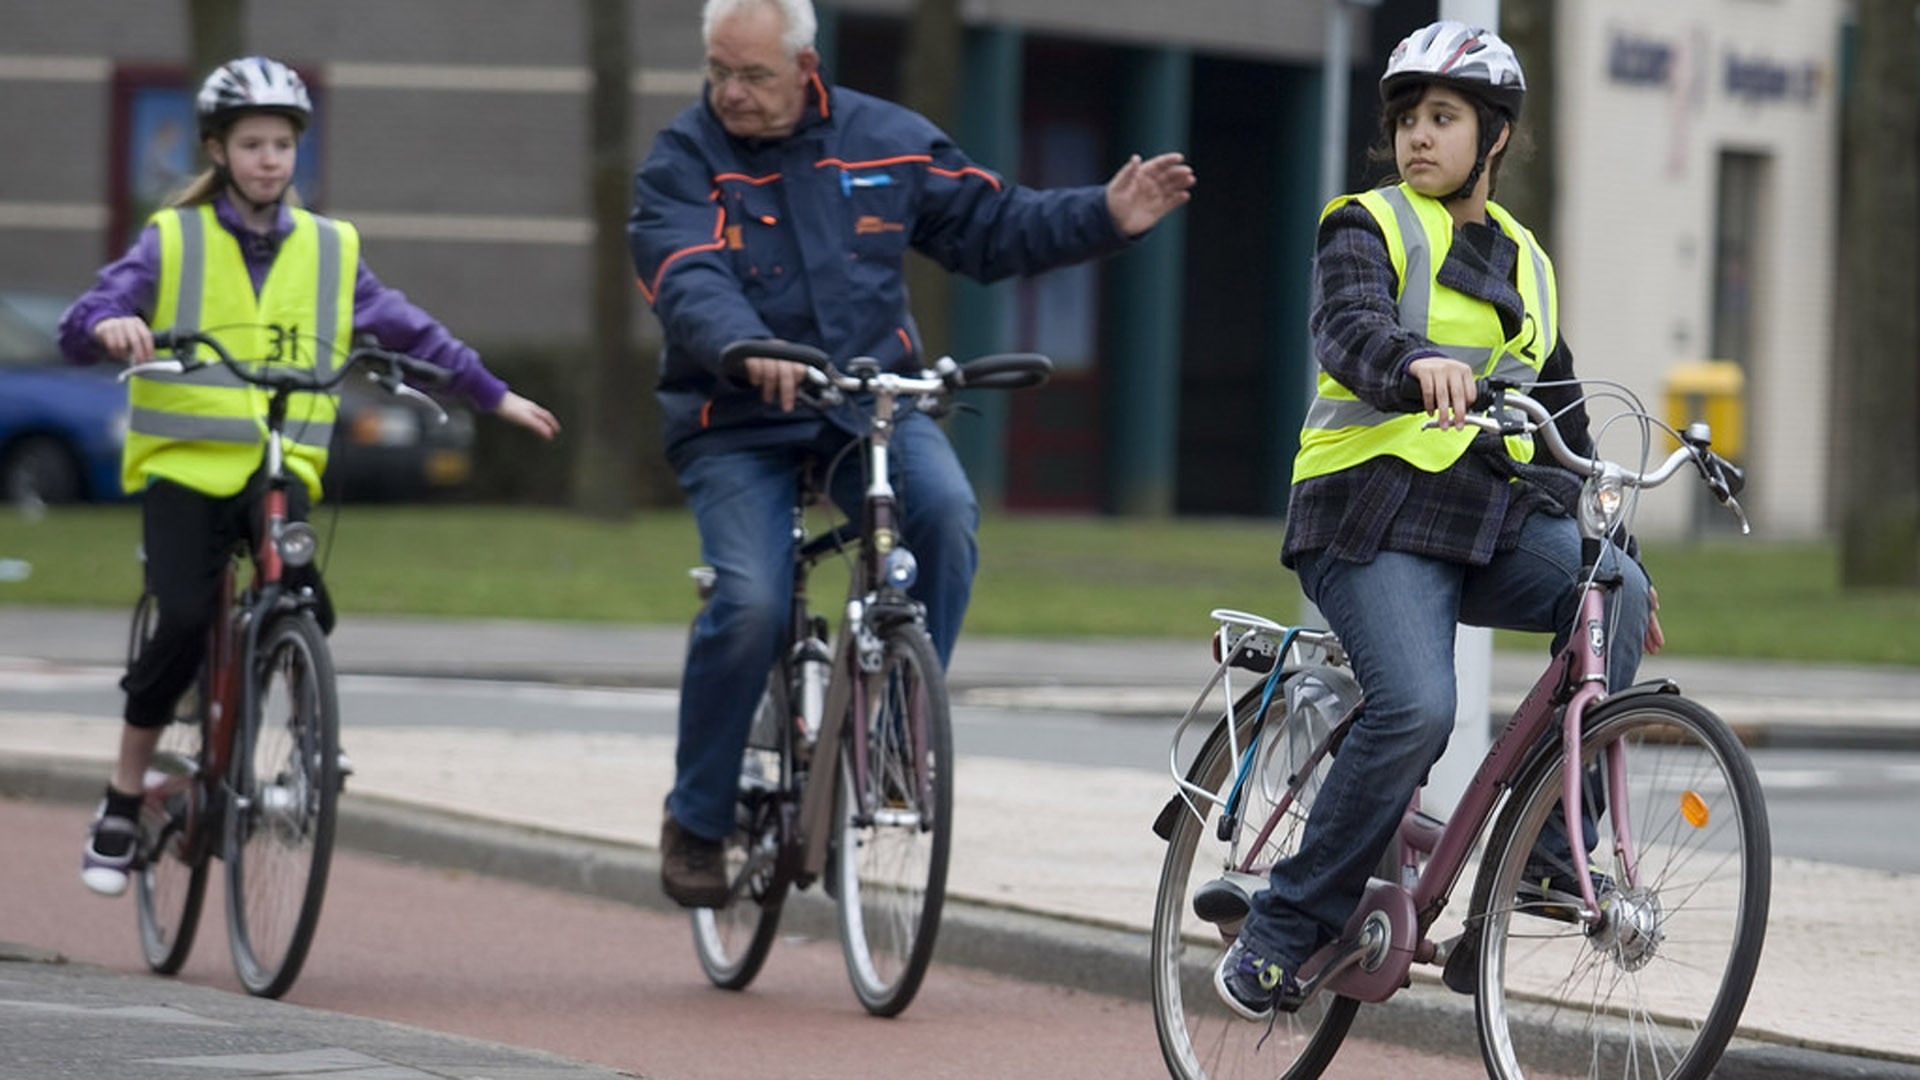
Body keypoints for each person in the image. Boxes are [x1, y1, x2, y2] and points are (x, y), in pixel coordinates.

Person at [628, 0, 1195, 907]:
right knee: (750, 601)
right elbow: (683, 271)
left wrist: (1107, 215)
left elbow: (994, 226)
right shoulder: (682, 161)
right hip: (736, 419)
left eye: (754, 75)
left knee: (944, 514)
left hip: (865, 410)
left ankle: (895, 735)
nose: (732, 93)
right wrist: (744, 346)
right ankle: (699, 819)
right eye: (719, 73)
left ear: (805, 63)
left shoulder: (885, 140)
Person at [1213, 21, 1663, 1020]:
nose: (1419, 136)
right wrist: (1413, 364)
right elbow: (1350, 329)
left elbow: (1567, 425)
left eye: (1444, 118)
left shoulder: (1530, 265)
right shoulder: (1364, 225)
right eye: (1410, 118)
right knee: (1418, 707)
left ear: (1494, 136)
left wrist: (1614, 544)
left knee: (1618, 592)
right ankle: (1282, 931)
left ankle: (1546, 861)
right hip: (1365, 517)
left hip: (1483, 521)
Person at [63, 55, 562, 898]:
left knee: (302, 601)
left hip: (279, 465)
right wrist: (113, 324)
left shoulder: (332, 249)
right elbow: (88, 317)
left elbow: (410, 331)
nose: (270, 160)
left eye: (284, 145)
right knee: (182, 616)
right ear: (218, 151)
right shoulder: (174, 237)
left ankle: (271, 734)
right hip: (187, 468)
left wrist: (491, 393)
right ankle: (123, 795)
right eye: (252, 144)